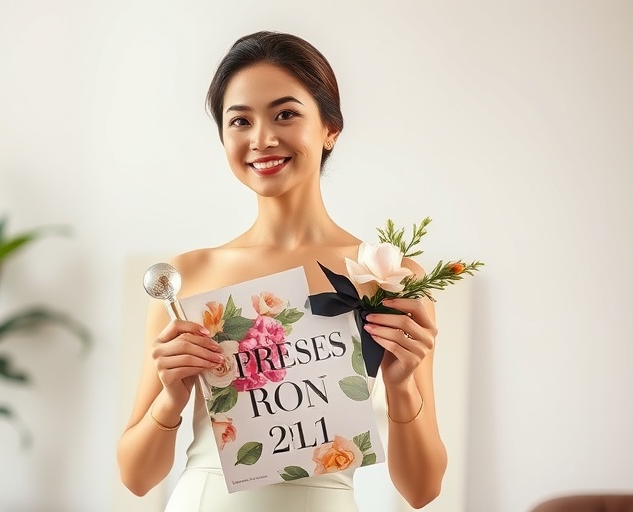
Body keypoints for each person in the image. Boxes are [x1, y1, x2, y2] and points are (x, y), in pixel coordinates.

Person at [117, 31, 447, 511]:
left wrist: (400, 384)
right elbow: (136, 478)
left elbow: (422, 490)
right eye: (240, 121)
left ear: (330, 128)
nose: (262, 139)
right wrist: (171, 396)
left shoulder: (389, 278)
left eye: (285, 114)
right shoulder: (187, 277)